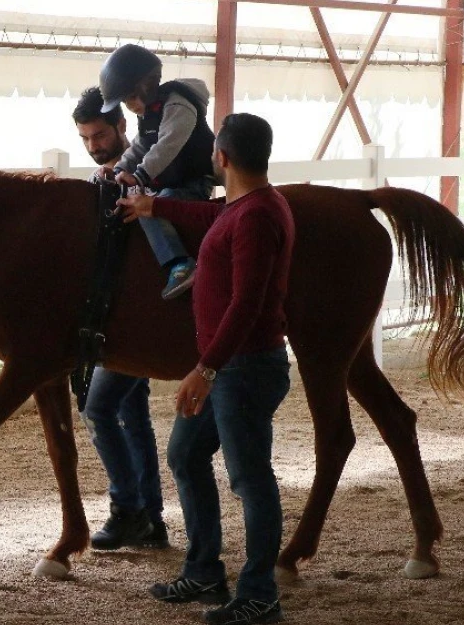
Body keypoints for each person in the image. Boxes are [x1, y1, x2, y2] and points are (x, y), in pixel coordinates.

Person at [118, 112, 294, 625]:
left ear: (222, 157)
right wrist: (154, 206)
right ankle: (204, 570)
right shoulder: (247, 206)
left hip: (242, 368)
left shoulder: (256, 217)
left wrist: (207, 368)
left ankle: (260, 593)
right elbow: (209, 217)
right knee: (186, 455)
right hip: (231, 368)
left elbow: (247, 303)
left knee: (250, 478)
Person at [72, 87, 168, 551]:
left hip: (137, 316)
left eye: (100, 134)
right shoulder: (104, 177)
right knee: (135, 414)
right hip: (126, 315)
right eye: (86, 137)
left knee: (100, 409)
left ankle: (127, 508)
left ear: (121, 128)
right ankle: (151, 517)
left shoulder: (141, 170)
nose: (94, 145)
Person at [98, 43, 216, 300]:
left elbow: (166, 146)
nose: (128, 106)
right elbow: (142, 144)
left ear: (146, 86)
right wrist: (119, 167)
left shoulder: (178, 106)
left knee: (149, 207)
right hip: (171, 182)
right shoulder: (149, 114)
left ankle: (180, 263)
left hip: (193, 183)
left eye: (129, 97)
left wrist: (139, 175)